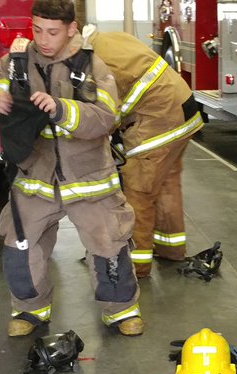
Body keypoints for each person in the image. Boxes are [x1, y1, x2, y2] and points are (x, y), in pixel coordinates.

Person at [0, 0, 144, 337]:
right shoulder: (15, 63)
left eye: (52, 32)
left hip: (89, 178)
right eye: (37, 30)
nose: (43, 39)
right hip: (34, 177)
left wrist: (61, 109)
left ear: (71, 29)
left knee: (109, 245)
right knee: (20, 246)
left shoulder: (92, 65)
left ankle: (121, 311)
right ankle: (30, 310)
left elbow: (105, 118)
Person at [82, 24, 204, 278]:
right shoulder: (112, 38)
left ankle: (135, 265)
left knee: (139, 190)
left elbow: (107, 113)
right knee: (166, 183)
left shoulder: (95, 62)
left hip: (160, 120)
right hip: (185, 109)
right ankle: (171, 249)